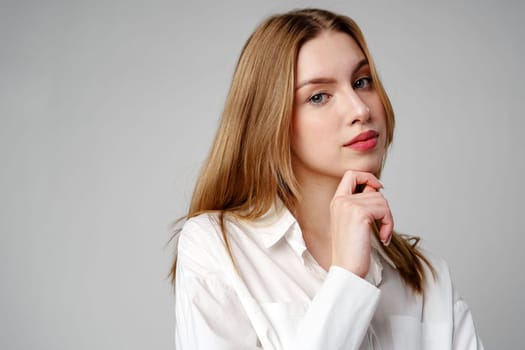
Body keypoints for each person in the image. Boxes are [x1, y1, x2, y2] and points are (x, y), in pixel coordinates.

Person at [170, 8, 484, 350]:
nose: (360, 109)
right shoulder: (217, 247)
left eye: (362, 82)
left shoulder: (428, 278)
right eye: (318, 96)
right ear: (269, 120)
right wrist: (348, 279)